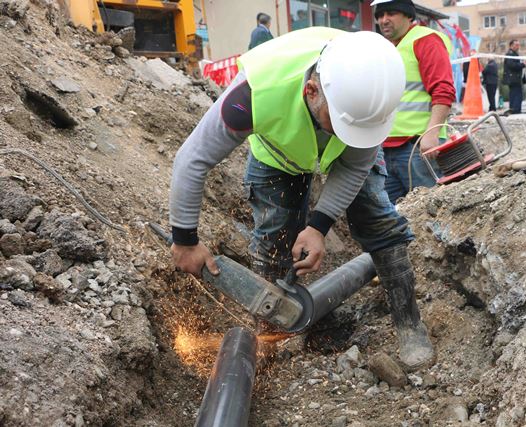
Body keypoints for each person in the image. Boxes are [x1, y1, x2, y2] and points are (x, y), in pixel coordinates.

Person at [169, 28, 436, 369]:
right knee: (274, 238)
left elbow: (354, 168)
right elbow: (192, 158)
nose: (346, 133)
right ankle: (267, 337)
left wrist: (319, 225)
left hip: (345, 151)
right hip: (278, 153)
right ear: (312, 91)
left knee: (377, 218)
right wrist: (185, 239)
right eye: (338, 122)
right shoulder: (256, 93)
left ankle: (409, 323)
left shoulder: (370, 93)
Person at [372, 0, 456, 204]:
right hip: (386, 149)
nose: (384, 20)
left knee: (427, 214)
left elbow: (443, 91)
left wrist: (432, 134)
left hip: (417, 147)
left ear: (408, 15)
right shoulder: (386, 48)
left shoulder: (426, 40)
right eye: (380, 15)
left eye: (391, 13)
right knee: (392, 218)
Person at [503, 40, 526, 114]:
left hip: (516, 78)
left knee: (517, 94)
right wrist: (522, 64)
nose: (518, 47)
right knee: (515, 94)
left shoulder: (515, 54)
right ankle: (515, 109)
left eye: (518, 45)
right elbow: (512, 65)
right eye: (516, 45)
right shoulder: (510, 54)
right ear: (511, 45)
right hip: (513, 79)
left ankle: (516, 109)